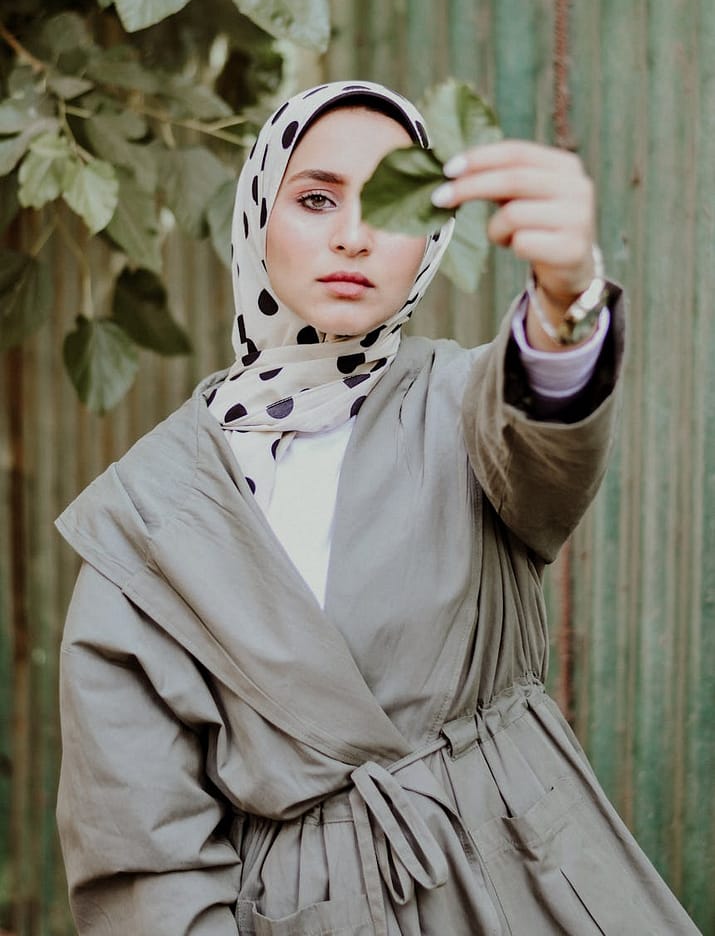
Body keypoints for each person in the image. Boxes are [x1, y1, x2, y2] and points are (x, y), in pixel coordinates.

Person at [55, 80, 699, 935]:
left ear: (430, 240)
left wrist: (565, 301)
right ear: (256, 213)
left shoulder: (465, 403)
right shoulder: (147, 509)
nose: (353, 237)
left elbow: (548, 447)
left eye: (393, 203)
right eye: (315, 198)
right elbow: (141, 847)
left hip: (530, 875)